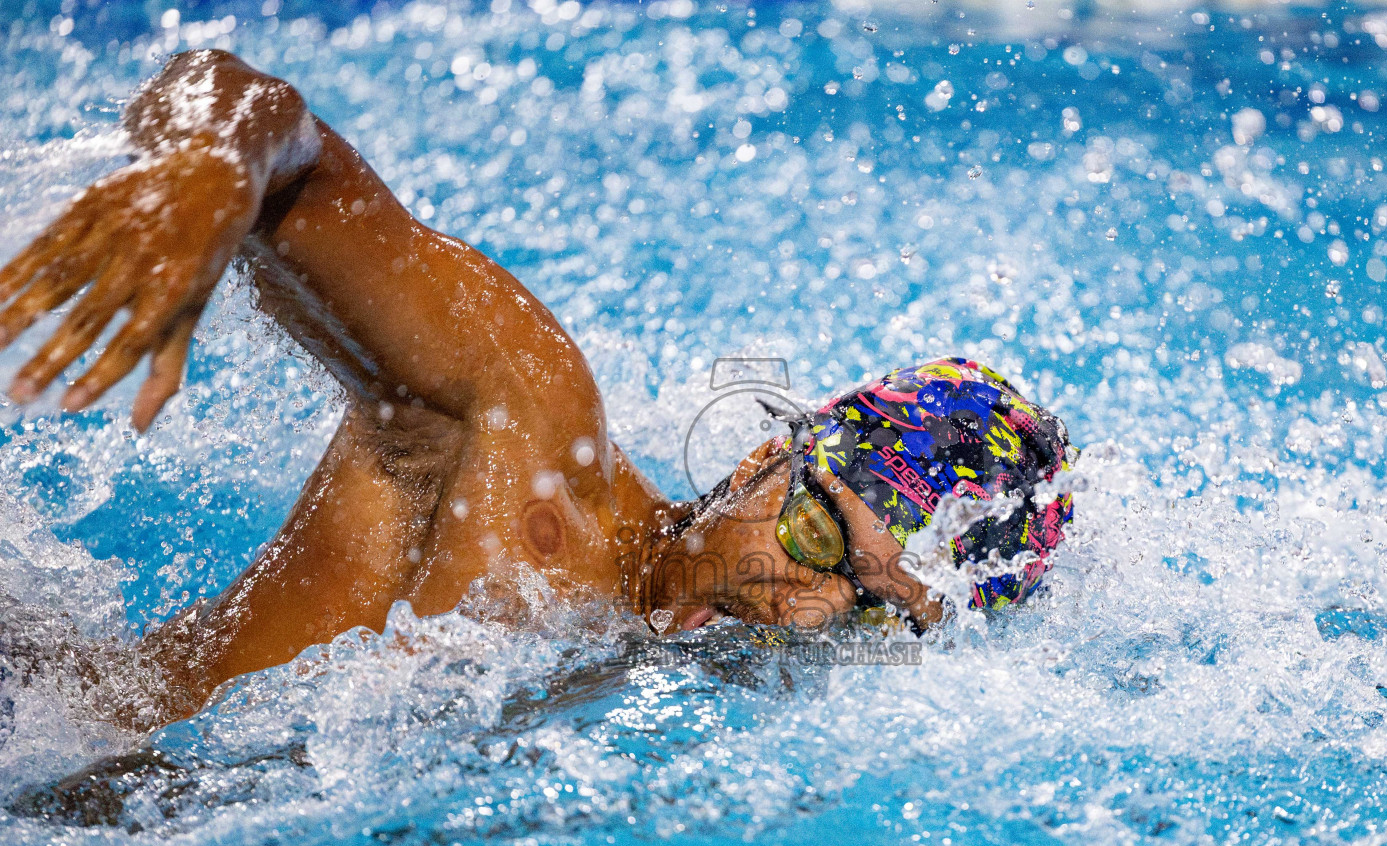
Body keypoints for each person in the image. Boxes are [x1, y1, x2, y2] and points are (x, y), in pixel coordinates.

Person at [0, 50, 1073, 729]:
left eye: (875, 614)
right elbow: (248, 104)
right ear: (766, 461)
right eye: (826, 541)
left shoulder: (655, 688)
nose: (811, 607)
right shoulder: (524, 421)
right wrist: (213, 176)